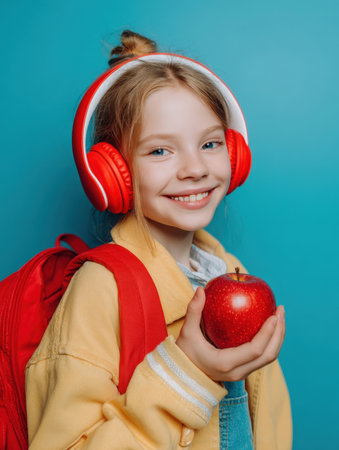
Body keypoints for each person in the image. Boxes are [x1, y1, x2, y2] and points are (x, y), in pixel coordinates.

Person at [25, 30, 292, 449]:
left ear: (234, 154)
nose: (195, 168)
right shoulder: (101, 290)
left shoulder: (231, 273)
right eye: (160, 152)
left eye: (209, 143)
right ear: (114, 174)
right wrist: (187, 372)